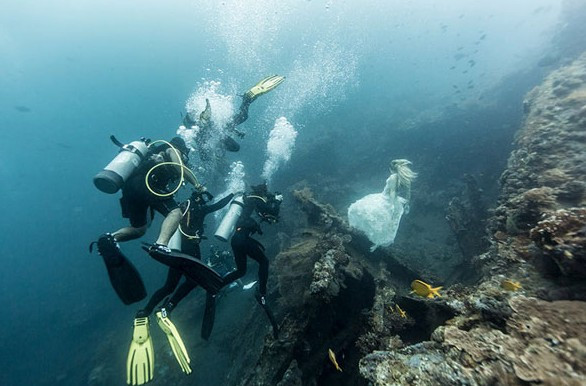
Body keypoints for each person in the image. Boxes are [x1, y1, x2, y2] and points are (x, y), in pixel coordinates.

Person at [125, 189, 234, 385]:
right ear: (200, 198)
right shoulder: (199, 208)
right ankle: (167, 308)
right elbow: (217, 206)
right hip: (191, 248)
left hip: (177, 249)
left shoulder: (182, 207)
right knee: (192, 281)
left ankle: (145, 312)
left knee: (169, 285)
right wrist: (233, 194)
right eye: (204, 196)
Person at [91, 137, 203, 306]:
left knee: (139, 228)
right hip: (145, 183)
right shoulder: (172, 149)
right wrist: (198, 185)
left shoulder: (151, 154)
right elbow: (178, 167)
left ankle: (110, 238)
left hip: (130, 188)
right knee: (175, 212)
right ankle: (161, 244)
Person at [181, 75, 285, 157]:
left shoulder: (204, 140)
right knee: (242, 117)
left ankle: (205, 119)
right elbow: (222, 129)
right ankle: (247, 100)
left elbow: (215, 133)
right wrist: (236, 132)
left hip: (202, 126)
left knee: (207, 132)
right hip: (214, 127)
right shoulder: (221, 136)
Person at [221, 183, 282, 304]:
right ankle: (262, 293)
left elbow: (267, 215)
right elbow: (273, 212)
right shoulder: (257, 200)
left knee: (241, 271)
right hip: (243, 240)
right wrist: (277, 201)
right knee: (264, 262)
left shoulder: (248, 201)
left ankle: (217, 283)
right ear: (262, 193)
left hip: (236, 240)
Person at [347, 159, 417, 251]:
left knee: (364, 212)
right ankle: (374, 242)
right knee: (385, 224)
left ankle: (360, 235)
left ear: (391, 169)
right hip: (396, 202)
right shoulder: (405, 178)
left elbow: (392, 192)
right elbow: (408, 193)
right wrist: (407, 204)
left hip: (386, 200)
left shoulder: (393, 177)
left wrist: (391, 206)